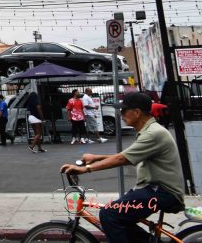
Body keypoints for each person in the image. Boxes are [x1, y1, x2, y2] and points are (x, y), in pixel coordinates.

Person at [61, 92, 184, 243]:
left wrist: (85, 169)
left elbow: (122, 158)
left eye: (123, 111)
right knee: (119, 217)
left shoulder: (153, 133)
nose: (120, 114)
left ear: (137, 112)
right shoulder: (149, 130)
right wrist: (95, 158)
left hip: (162, 192)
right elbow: (128, 155)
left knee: (109, 214)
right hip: (152, 189)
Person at [27, 88, 46, 153]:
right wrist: (42, 118)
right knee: (39, 134)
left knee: (36, 134)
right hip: (36, 119)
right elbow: (39, 109)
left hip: (31, 117)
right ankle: (31, 146)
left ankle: (40, 148)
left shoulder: (30, 102)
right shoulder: (36, 102)